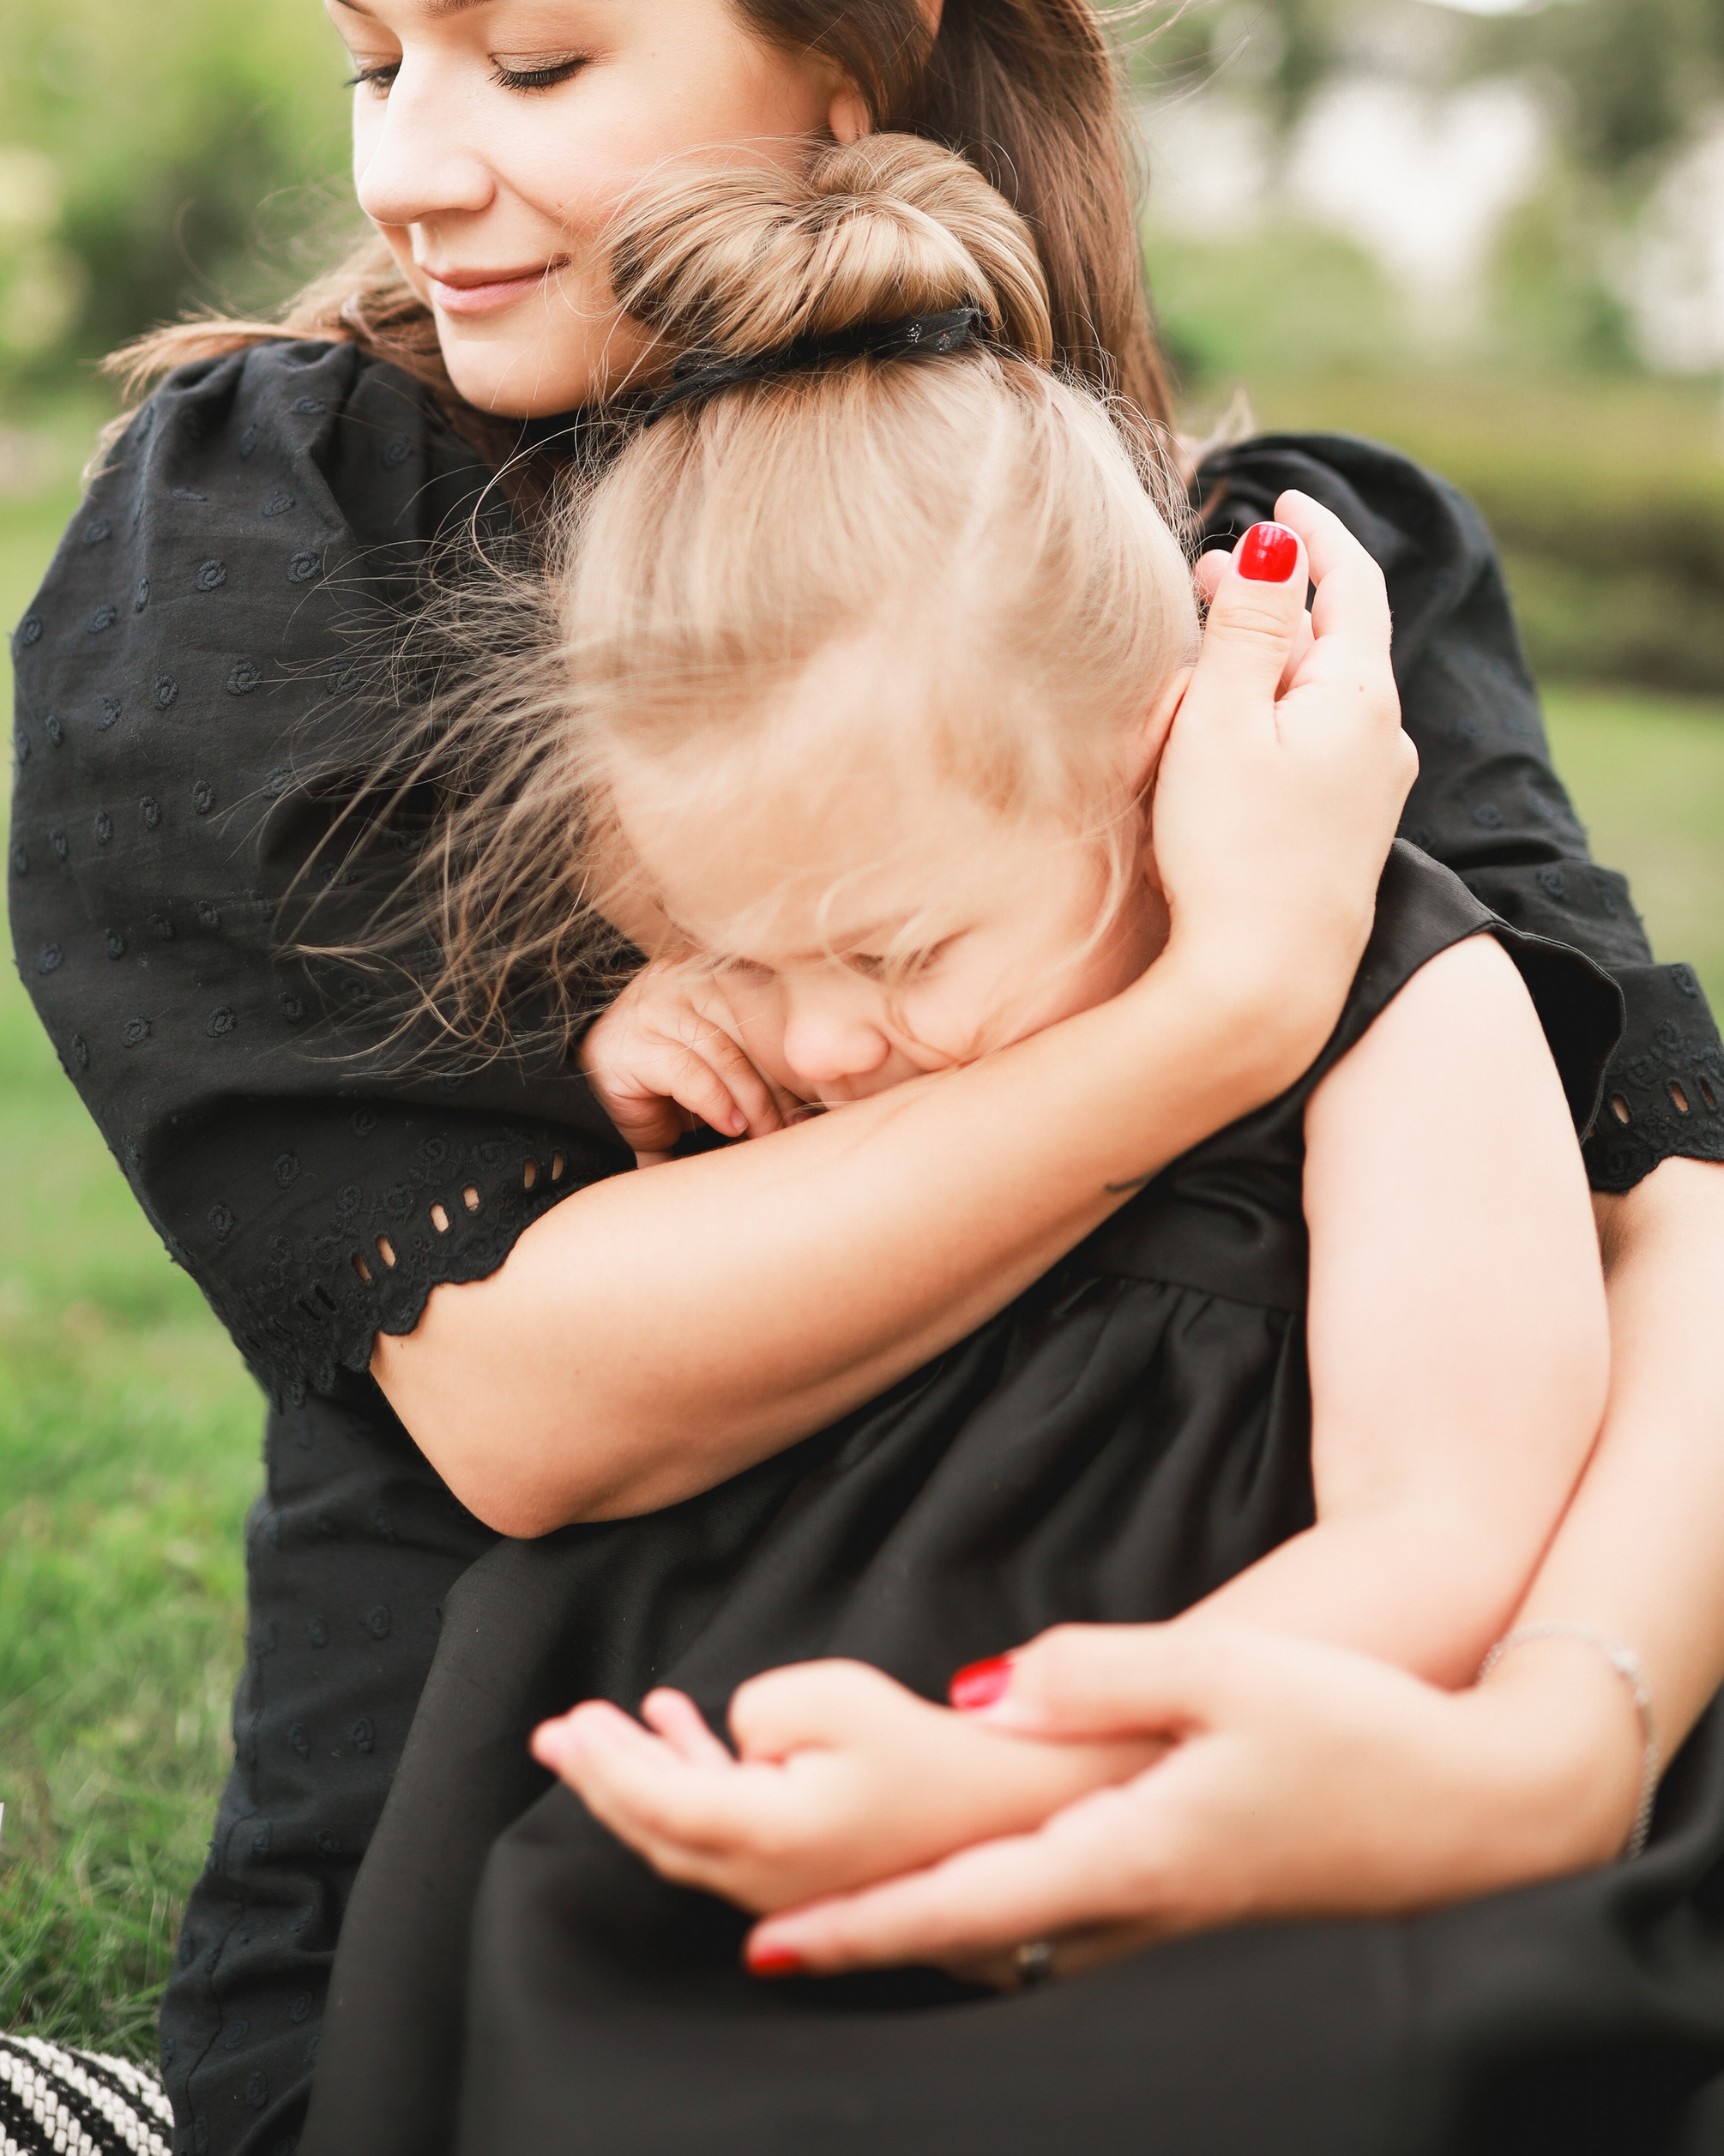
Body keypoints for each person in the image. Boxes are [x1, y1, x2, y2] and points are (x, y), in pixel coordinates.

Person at [3, 0, 1724, 2156]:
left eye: (532, 60)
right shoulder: (270, 527)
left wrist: (1531, 1755)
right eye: (375, 60)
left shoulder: (1262, 574)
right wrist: (1224, 1013)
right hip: (559, 1858)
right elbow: (533, 1402)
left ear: (859, 37)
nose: (419, 168)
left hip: (1340, 1763)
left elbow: (1662, 1222)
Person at [283, 133, 1625, 2156]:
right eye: (734, 942)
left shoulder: (1398, 1009)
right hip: (747, 1755)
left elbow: (1442, 1528)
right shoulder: (815, 1010)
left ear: (1144, 768)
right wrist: (681, 1084)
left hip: (1211, 1768)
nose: (820, 1032)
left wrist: (1022, 1769)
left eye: (891, 947)